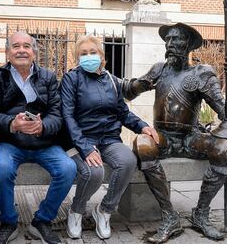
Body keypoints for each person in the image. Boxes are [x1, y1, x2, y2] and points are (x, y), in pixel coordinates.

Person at [122, 23, 227, 243]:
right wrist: (141, 83)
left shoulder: (201, 73)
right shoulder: (159, 69)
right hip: (163, 137)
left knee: (225, 152)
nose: (170, 44)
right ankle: (169, 216)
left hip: (191, 137)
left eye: (176, 39)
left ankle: (201, 212)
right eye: (168, 40)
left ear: (188, 44)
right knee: (142, 144)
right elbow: (129, 93)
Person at [0, 32, 76, 244]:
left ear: (34, 52)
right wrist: (11, 124)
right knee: (3, 169)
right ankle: (8, 222)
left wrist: (43, 127)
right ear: (7, 52)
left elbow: (57, 114)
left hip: (45, 143)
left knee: (68, 168)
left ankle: (42, 220)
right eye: (15, 46)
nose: (21, 50)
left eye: (26, 46)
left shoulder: (49, 77)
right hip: (11, 143)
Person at [60, 35, 158, 240]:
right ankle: (76, 210)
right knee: (94, 172)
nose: (88, 57)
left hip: (108, 139)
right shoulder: (71, 78)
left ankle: (104, 211)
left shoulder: (111, 81)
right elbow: (67, 116)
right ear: (77, 58)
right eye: (83, 54)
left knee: (128, 161)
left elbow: (122, 113)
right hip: (80, 141)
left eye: (92, 52)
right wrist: (85, 147)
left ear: (102, 56)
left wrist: (143, 126)